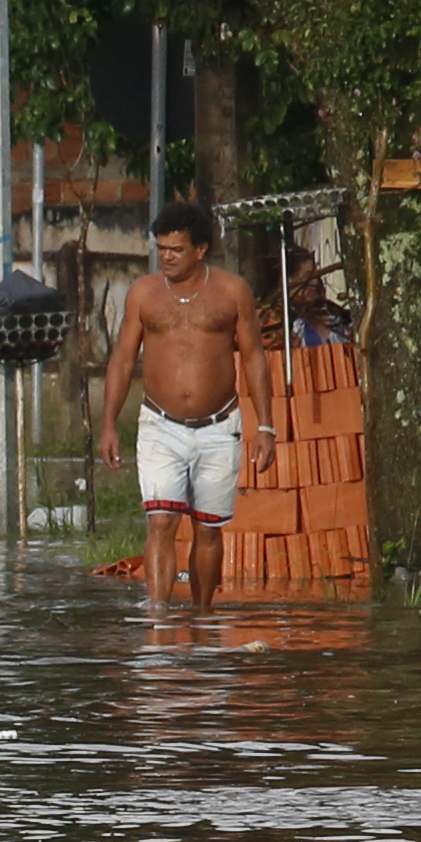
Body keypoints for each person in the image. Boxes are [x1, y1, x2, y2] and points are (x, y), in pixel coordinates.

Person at [100, 199, 276, 611]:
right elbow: (123, 359)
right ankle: (158, 617)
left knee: (208, 529)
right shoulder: (143, 293)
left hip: (219, 426)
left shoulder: (232, 291)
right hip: (160, 424)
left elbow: (254, 357)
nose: (167, 257)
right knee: (161, 521)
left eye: (176, 250)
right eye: (161, 249)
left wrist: (265, 426)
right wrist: (109, 424)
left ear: (201, 249)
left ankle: (202, 616)